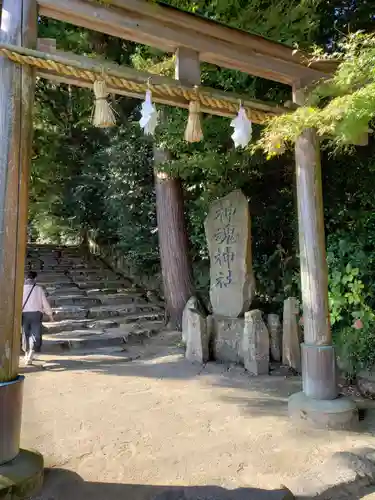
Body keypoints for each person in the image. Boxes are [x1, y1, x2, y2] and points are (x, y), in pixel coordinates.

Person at [22, 271, 54, 365]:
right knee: (35, 333)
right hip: (36, 314)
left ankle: (26, 353)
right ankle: (31, 353)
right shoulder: (38, 289)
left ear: (25, 279)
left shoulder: (21, 288)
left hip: (24, 314)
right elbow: (44, 303)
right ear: (35, 279)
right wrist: (50, 315)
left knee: (25, 333)